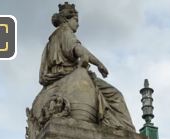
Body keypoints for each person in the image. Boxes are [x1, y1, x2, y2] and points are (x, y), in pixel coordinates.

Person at [39, 2, 135, 132]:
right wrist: (98, 63)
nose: (78, 24)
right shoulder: (65, 32)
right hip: (71, 74)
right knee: (115, 95)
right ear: (67, 20)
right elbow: (78, 49)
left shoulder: (49, 43)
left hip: (55, 80)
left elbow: (44, 73)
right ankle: (125, 130)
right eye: (76, 20)